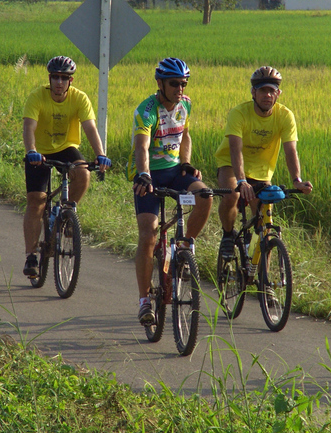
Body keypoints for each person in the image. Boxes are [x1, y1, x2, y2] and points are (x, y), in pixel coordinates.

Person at [130, 57, 213, 325]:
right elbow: (142, 146)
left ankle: (186, 244)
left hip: (176, 173)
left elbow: (185, 135)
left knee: (205, 196)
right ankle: (144, 301)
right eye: (174, 83)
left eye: (184, 83)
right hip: (149, 176)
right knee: (148, 234)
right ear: (160, 83)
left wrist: (187, 164)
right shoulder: (147, 109)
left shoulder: (185, 104)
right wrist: (143, 174)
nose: (180, 88)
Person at [22, 56, 111, 277]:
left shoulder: (79, 98)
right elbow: (29, 128)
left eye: (64, 78)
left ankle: (68, 211)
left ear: (70, 81)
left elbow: (90, 128)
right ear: (49, 79)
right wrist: (31, 151)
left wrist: (101, 155)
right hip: (39, 151)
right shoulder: (37, 97)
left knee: (82, 173)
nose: (59, 82)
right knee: (36, 202)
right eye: (55, 77)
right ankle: (31, 256)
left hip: (66, 147)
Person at [214, 66, 313, 259]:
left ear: (278, 93)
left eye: (272, 90)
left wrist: (297, 180)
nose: (267, 95)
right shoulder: (239, 113)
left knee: (265, 227)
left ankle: (263, 285)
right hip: (231, 164)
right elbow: (235, 148)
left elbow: (290, 150)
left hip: (261, 171)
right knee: (232, 195)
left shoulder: (285, 115)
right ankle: (227, 235)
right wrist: (242, 181)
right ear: (253, 92)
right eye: (262, 90)